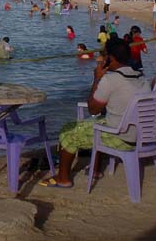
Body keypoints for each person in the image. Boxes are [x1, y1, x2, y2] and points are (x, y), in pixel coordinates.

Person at [39, 38, 149, 188]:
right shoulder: (141, 77)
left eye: (104, 56)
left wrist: (97, 78)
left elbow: (92, 109)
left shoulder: (111, 79)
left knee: (68, 131)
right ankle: (95, 170)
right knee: (101, 121)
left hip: (121, 137)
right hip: (140, 134)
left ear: (110, 58)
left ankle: (63, 178)